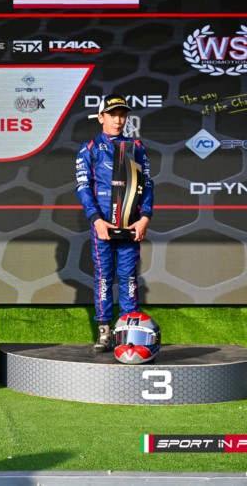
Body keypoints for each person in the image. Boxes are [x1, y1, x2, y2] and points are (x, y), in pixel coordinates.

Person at [75, 94, 154, 352]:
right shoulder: (89, 148)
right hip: (103, 225)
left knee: (128, 276)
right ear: (101, 117)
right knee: (104, 276)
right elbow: (83, 187)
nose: (118, 120)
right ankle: (105, 332)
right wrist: (96, 219)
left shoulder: (136, 147)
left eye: (122, 115)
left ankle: (129, 332)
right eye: (112, 115)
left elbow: (147, 184)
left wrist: (144, 217)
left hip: (131, 224)